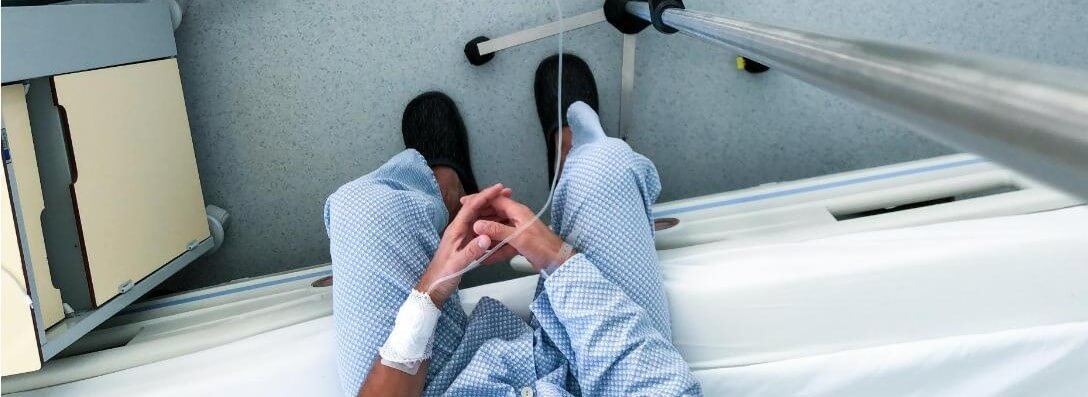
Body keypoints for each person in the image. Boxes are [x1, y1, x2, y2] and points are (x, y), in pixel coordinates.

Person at [324, 54, 701, 396]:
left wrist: (431, 290)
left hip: (443, 387)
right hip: (588, 380)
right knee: (606, 166)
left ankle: (447, 192)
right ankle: (568, 155)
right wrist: (557, 256)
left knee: (361, 207)